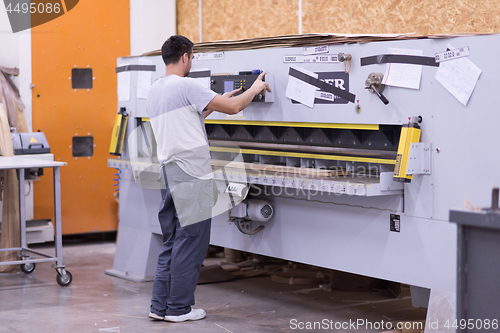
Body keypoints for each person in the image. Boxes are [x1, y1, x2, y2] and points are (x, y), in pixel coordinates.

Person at [146, 35, 271, 323]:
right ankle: (179, 308)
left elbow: (190, 115)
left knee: (172, 239)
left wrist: (213, 103)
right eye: (193, 57)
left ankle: (160, 305)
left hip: (169, 170)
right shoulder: (188, 85)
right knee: (191, 240)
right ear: (186, 57)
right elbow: (236, 108)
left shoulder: (156, 90)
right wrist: (254, 88)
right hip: (192, 173)